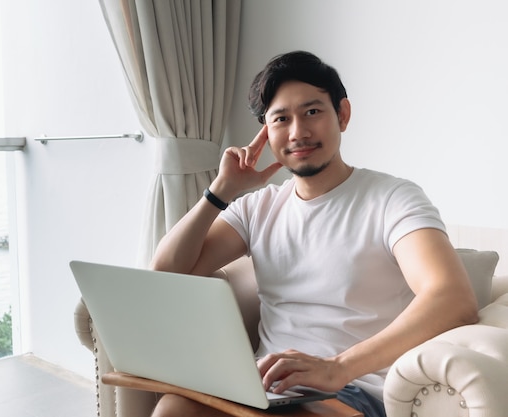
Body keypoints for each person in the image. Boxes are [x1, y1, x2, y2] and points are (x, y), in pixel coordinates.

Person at [148, 51, 478, 417]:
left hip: (354, 389)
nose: (297, 132)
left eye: (312, 112)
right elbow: (168, 273)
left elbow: (453, 298)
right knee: (172, 409)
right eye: (281, 119)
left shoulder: (392, 198)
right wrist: (222, 190)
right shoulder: (257, 208)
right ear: (266, 133)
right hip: (266, 388)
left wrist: (337, 367)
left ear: (343, 115)